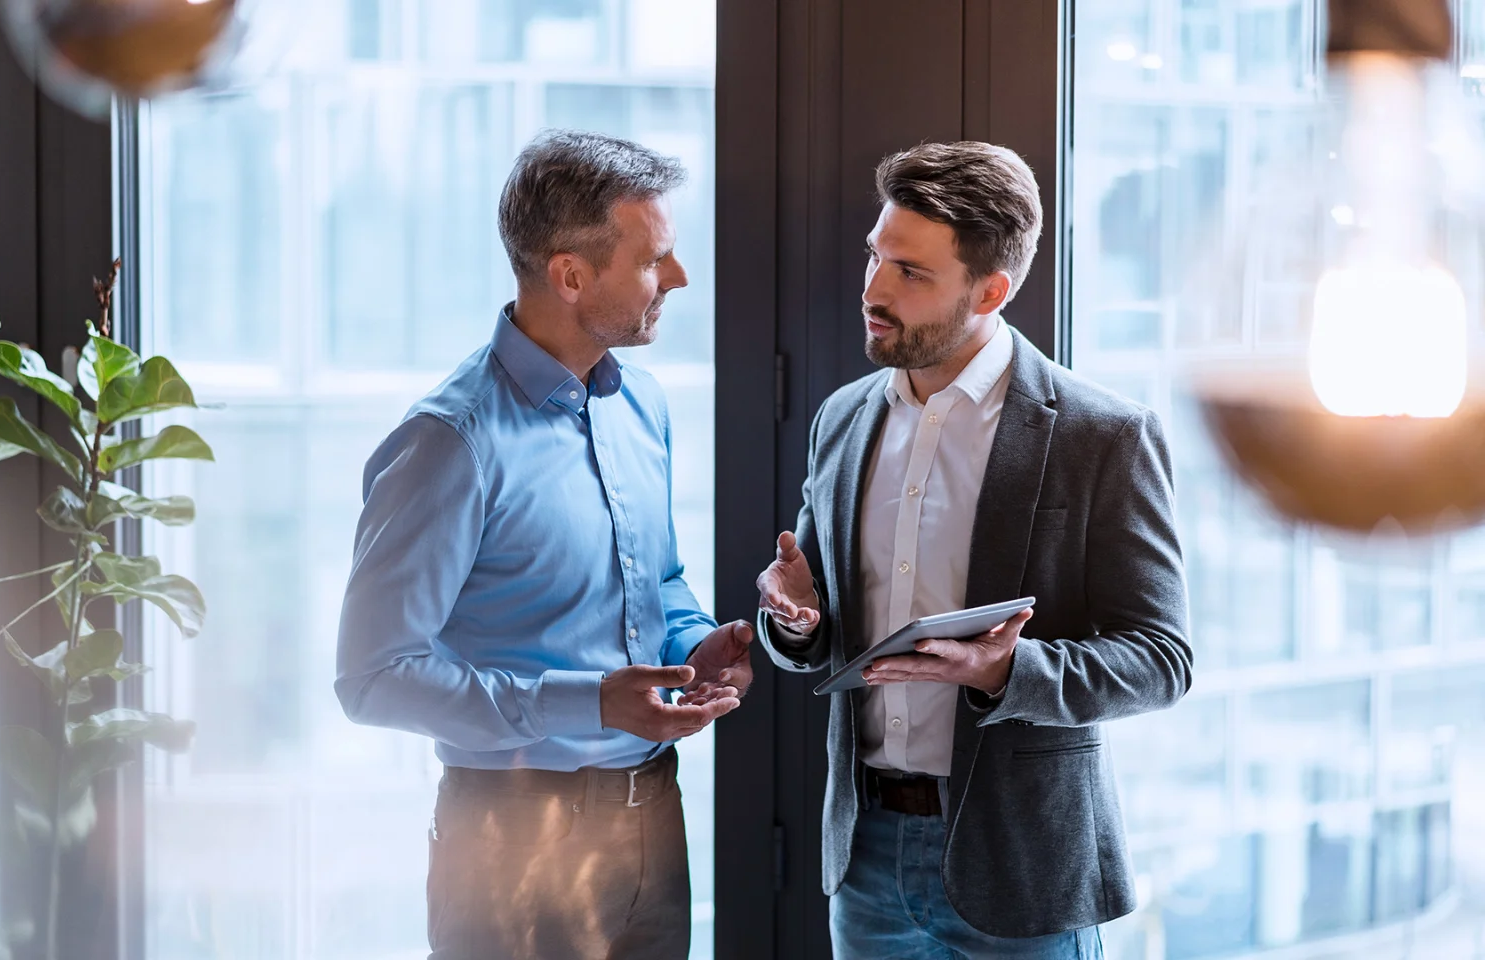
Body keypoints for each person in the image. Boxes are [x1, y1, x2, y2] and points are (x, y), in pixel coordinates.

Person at [756, 141, 1192, 960]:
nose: (874, 290)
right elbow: (810, 635)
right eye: (875, 256)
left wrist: (1003, 672)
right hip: (865, 862)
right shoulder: (842, 420)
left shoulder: (1105, 436)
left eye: (910, 273)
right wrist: (796, 620)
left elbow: (1162, 660)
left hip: (1022, 871)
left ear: (991, 290)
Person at [335, 129, 752, 960]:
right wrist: (587, 701)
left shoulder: (642, 406)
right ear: (570, 275)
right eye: (654, 259)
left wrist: (694, 643)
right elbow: (372, 680)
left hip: (653, 819)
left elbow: (659, 578)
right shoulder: (449, 441)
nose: (678, 277)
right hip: (508, 838)